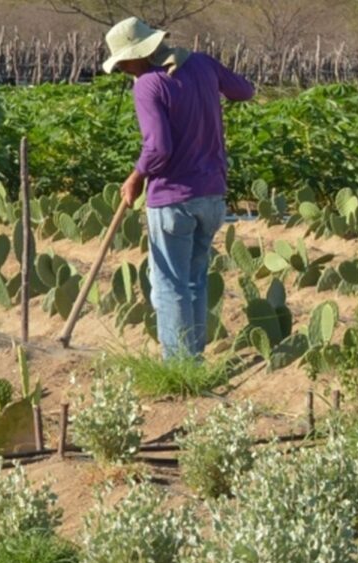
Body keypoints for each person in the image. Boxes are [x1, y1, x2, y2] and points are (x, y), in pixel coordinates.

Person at [103, 16, 255, 360]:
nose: (124, 69)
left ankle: (178, 366)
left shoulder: (147, 84)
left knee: (170, 285)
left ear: (140, 54)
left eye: (124, 62)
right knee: (195, 280)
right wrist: (204, 78)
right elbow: (244, 91)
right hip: (213, 196)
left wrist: (135, 177)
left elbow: (158, 148)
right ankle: (194, 360)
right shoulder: (201, 63)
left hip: (173, 199)